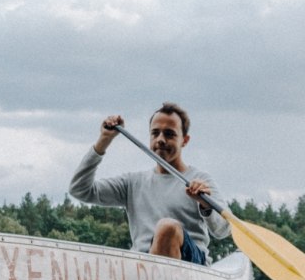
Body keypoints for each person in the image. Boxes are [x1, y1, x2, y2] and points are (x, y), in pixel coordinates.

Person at [69, 103, 230, 264]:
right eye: (155, 133)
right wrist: (104, 140)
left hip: (191, 268)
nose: (160, 140)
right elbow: (79, 190)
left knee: (168, 228)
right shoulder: (133, 183)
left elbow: (223, 229)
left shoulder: (200, 180)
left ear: (184, 140)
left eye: (169, 134)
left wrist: (206, 206)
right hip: (142, 267)